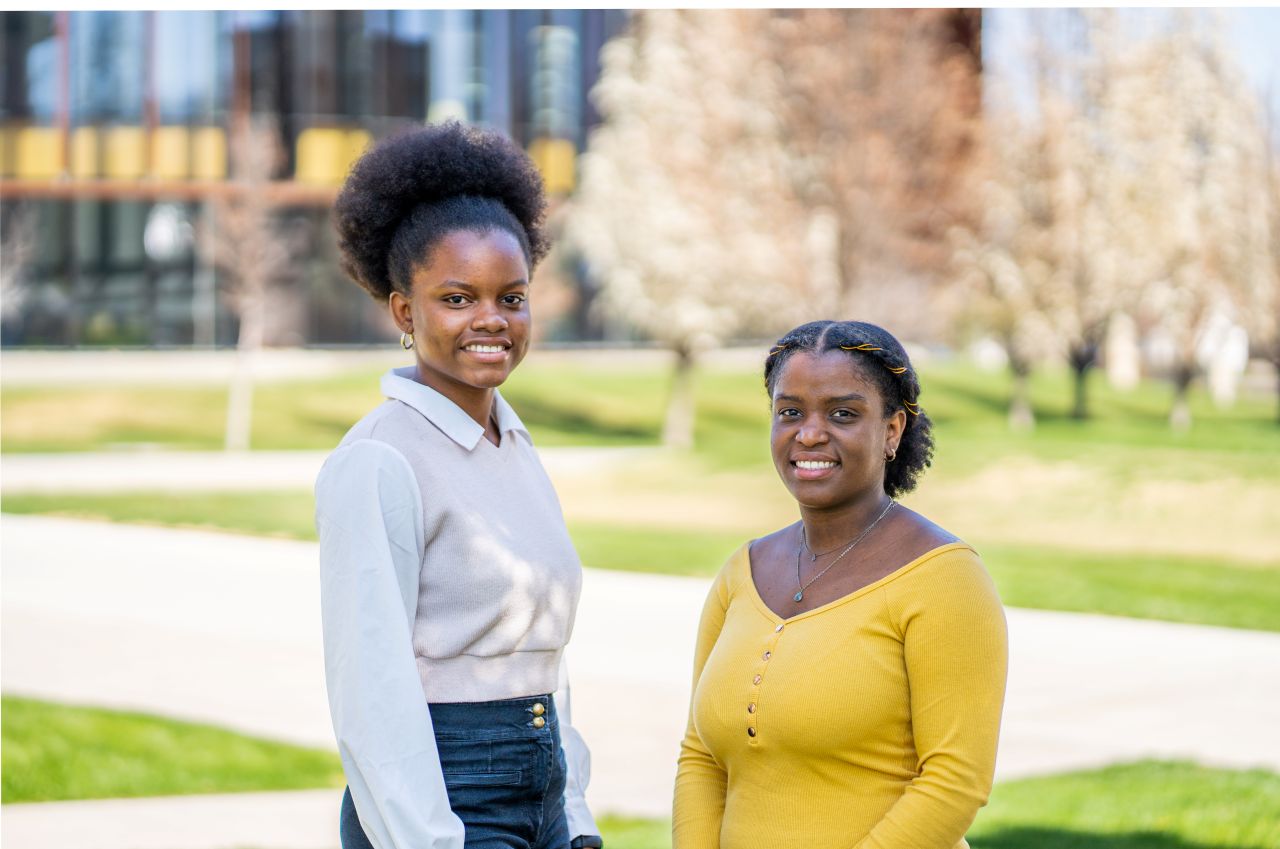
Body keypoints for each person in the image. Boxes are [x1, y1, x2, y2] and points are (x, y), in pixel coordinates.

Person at [315, 122, 602, 849]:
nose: (491, 320)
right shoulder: (379, 459)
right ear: (403, 311)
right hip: (444, 803)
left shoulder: (516, 445)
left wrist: (574, 815)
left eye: (512, 297)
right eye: (457, 297)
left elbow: (542, 657)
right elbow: (369, 690)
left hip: (545, 794)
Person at [673, 320, 1008, 849]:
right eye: (790, 412)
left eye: (842, 414)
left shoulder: (944, 577)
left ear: (892, 430)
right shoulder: (742, 572)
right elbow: (700, 756)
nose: (809, 434)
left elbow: (954, 782)